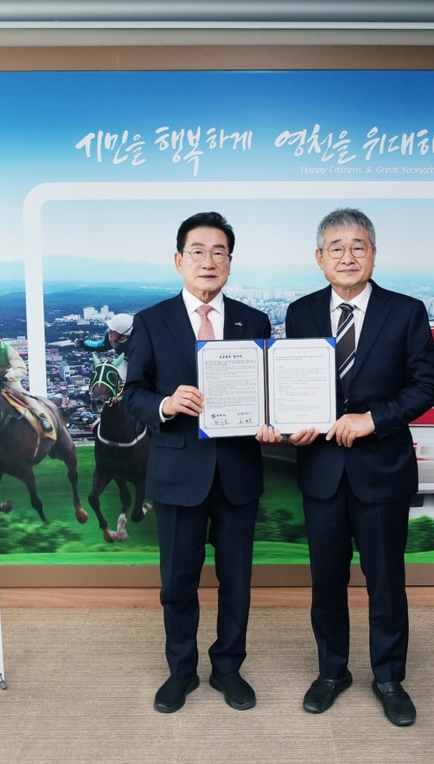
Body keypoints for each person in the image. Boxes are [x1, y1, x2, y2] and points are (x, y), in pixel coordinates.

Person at [282, 208, 434, 727]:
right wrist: (291, 425)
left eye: (358, 246)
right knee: (326, 579)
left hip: (382, 469)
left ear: (373, 253)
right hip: (322, 470)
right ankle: (332, 671)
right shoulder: (301, 312)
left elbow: (427, 386)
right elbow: (291, 386)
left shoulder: (407, 311)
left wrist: (373, 420)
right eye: (336, 248)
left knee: (385, 581)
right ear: (319, 258)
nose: (347, 256)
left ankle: (389, 678)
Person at [122, 211, 275, 714]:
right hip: (177, 472)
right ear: (178, 260)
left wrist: (272, 419)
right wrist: (166, 404)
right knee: (177, 583)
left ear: (230, 261)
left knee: (237, 582)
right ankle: (181, 672)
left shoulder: (254, 321)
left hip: (237, 472)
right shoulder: (152, 321)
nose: (208, 261)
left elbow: (268, 392)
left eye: (219, 252)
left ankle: (228, 667)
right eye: (198, 252)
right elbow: (133, 393)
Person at [0, 325, 55, 434]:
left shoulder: (8, 350)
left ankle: (42, 417)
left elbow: (21, 369)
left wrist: (7, 377)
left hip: (7, 380)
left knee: (22, 394)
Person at [77, 312, 135, 381]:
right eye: (110, 329)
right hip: (125, 361)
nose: (110, 333)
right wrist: (84, 344)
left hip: (144, 363)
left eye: (113, 332)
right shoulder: (110, 336)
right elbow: (101, 346)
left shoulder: (140, 340)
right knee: (117, 379)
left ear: (123, 335)